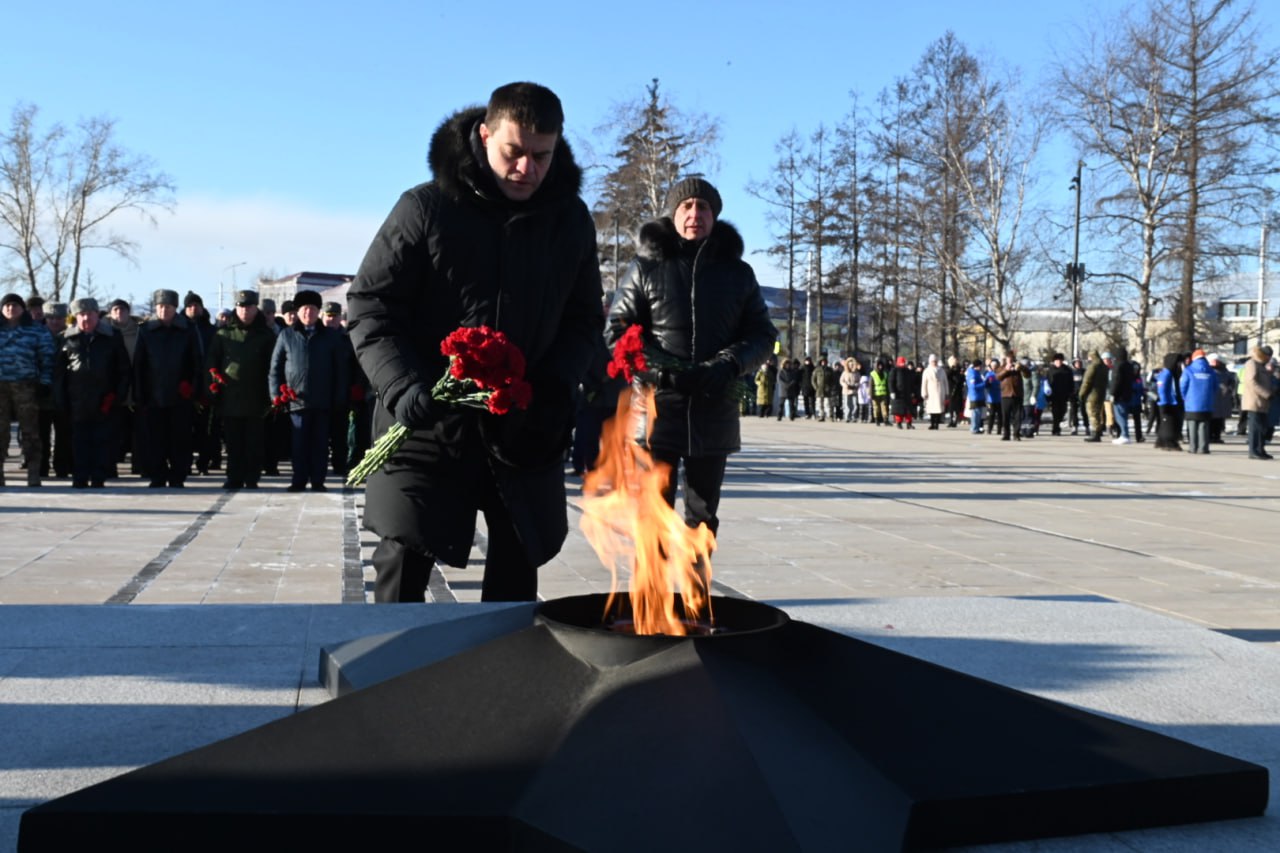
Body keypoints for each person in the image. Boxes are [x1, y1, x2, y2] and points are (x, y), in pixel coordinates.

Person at [348, 82, 605, 603]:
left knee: (516, 572)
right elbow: (370, 306)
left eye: (542, 156)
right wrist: (403, 385)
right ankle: (394, 676)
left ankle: (503, 681)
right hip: (426, 420)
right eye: (514, 152)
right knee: (403, 561)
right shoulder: (425, 208)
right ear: (484, 135)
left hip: (522, 424)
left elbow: (582, 321)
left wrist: (555, 383)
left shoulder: (570, 221)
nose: (527, 169)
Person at [607, 174, 776, 543]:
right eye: (686, 206)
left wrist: (730, 364)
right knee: (653, 516)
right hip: (656, 412)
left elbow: (764, 335)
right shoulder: (646, 267)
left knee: (702, 519)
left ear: (714, 216)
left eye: (703, 207)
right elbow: (617, 332)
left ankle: (696, 598)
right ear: (673, 214)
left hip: (714, 413)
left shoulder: (738, 274)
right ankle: (654, 600)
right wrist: (661, 372)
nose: (694, 213)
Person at [269, 291, 350, 492]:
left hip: (323, 401)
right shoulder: (287, 335)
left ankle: (318, 480)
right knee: (298, 444)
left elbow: (340, 370)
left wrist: (340, 397)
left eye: (312, 309)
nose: (308, 313)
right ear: (298, 311)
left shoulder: (330, 337)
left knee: (320, 444)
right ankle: (298, 480)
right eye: (304, 309)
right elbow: (275, 368)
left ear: (318, 312)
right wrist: (276, 395)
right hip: (296, 400)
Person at [53, 298, 130, 488]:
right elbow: (59, 373)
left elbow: (123, 369)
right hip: (76, 399)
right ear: (76, 317)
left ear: (98, 315)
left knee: (102, 440)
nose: (86, 318)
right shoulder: (66, 338)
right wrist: (61, 399)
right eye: (81, 314)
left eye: (90, 314)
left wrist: (118, 395)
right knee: (78, 440)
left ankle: (98, 476)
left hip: (104, 399)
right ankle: (79, 476)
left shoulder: (112, 336)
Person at [206, 289, 276, 489]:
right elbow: (212, 361)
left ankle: (252, 477)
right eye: (241, 306)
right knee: (233, 442)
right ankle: (234, 476)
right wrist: (213, 378)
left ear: (256, 309)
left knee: (254, 442)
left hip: (256, 397)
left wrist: (272, 395)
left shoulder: (265, 335)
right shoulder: (224, 334)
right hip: (231, 396)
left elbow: (273, 365)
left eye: (249, 307)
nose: (245, 311)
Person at [132, 289, 202, 487]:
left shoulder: (187, 329)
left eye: (168, 307)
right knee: (155, 439)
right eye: (160, 307)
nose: (163, 310)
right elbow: (139, 364)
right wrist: (139, 393)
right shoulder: (146, 330)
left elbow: (197, 361)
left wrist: (193, 388)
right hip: (153, 394)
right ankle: (157, 475)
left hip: (180, 394)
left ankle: (178, 475)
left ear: (175, 308)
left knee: (180, 438)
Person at [0, 292, 55, 487]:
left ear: (22, 309)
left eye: (15, 305)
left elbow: (47, 357)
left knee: (31, 432)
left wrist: (45, 382)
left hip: (26, 386)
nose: (10, 309)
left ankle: (34, 473)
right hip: (1, 388)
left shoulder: (35, 330)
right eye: (6, 305)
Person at [1180, 349, 1218, 454]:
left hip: (1192, 403)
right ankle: (1203, 448)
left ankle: (1193, 447)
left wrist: (1185, 397)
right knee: (1204, 425)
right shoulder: (1211, 371)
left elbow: (1183, 386)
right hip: (1206, 403)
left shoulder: (1188, 370)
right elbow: (1215, 387)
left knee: (1192, 425)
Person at [1240, 345, 1274, 460]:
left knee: (1262, 428)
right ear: (1263, 355)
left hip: (1263, 402)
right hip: (1254, 401)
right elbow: (1251, 382)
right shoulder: (1252, 363)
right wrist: (1266, 393)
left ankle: (1260, 449)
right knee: (1255, 428)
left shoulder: (1261, 365)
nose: (1269, 359)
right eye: (1268, 356)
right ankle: (1253, 451)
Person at [1153, 352, 1183, 452]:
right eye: (1178, 362)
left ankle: (1161, 440)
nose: (1180, 365)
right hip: (1168, 402)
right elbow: (1162, 388)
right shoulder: (1166, 373)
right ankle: (1169, 442)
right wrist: (1164, 402)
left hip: (1173, 401)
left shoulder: (1175, 374)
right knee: (1168, 424)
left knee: (1168, 423)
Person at [1079, 350, 1107, 443]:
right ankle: (1098, 431)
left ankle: (1095, 433)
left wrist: (1082, 393)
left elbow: (1087, 381)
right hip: (1101, 393)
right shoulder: (1104, 367)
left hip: (1092, 394)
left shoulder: (1093, 366)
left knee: (1092, 413)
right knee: (1098, 413)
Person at [996, 352, 1023, 441]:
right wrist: (1006, 370)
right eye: (1008, 359)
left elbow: (1028, 374)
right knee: (1005, 416)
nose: (1010, 361)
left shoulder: (1017, 367)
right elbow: (998, 377)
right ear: (1006, 360)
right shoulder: (1001, 368)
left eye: (1012, 359)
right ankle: (1006, 434)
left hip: (1017, 394)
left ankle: (1016, 434)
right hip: (1006, 395)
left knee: (1017, 416)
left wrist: (1021, 367)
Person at [1046, 353, 1073, 436]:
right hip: (1053, 394)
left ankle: (1057, 425)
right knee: (1055, 412)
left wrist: (1070, 392)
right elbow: (1047, 382)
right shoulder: (1050, 370)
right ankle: (1056, 429)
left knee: (1062, 411)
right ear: (1054, 361)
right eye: (1057, 361)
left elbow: (1071, 382)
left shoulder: (1067, 370)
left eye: (1060, 360)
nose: (1058, 362)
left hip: (1064, 394)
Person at [920, 354, 948, 430]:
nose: (934, 363)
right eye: (932, 361)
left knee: (938, 409)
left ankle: (937, 423)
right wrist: (924, 392)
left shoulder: (941, 371)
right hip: (930, 392)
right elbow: (924, 383)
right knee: (932, 409)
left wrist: (946, 392)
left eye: (935, 361)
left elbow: (945, 382)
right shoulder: (926, 371)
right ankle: (932, 423)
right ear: (930, 362)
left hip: (939, 392)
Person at [889, 356, 916, 429]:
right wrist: (892, 391)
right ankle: (899, 423)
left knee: (908, 410)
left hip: (907, 393)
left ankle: (909, 423)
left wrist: (912, 391)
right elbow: (891, 382)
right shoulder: (894, 371)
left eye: (904, 363)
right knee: (899, 410)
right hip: (898, 394)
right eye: (901, 363)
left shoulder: (907, 371)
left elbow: (911, 383)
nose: (903, 364)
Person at [811, 356, 834, 421]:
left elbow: (833, 380)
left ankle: (829, 416)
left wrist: (830, 387)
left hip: (827, 389)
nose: (823, 363)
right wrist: (816, 387)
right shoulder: (817, 370)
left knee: (828, 403)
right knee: (820, 404)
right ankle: (821, 415)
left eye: (824, 362)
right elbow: (813, 380)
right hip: (819, 389)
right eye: (822, 362)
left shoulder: (830, 370)